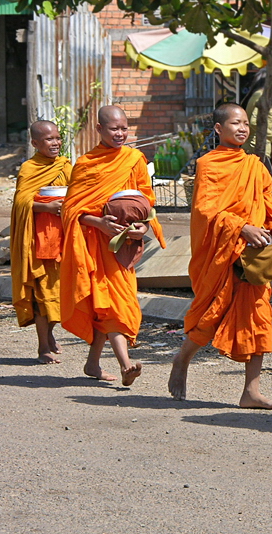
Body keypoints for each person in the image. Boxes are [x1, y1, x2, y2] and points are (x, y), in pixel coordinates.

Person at [168, 103, 272, 407]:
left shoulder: (255, 165)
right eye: (235, 123)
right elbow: (205, 210)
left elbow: (269, 205)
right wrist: (241, 227)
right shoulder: (208, 165)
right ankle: (182, 360)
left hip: (252, 256)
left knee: (259, 317)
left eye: (245, 124)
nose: (242, 128)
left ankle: (251, 391)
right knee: (210, 316)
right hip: (221, 255)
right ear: (218, 129)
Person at [60, 106, 165, 384]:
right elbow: (71, 210)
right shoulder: (86, 164)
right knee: (110, 304)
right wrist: (101, 224)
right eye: (113, 129)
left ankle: (93, 364)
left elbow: (146, 200)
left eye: (124, 128)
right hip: (95, 245)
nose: (120, 134)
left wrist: (144, 225)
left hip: (123, 246)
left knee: (109, 303)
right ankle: (125, 364)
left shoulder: (134, 159)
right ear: (99, 129)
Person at [10, 120, 72, 364]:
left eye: (57, 138)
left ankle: (50, 335)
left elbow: (76, 192)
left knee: (60, 293)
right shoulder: (29, 168)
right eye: (48, 139)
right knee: (42, 294)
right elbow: (20, 204)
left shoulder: (65, 165)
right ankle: (43, 346)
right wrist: (45, 205)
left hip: (63, 239)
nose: (55, 143)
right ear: (35, 143)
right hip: (37, 241)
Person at [242, 69, 272, 159]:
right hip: (256, 150)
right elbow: (254, 122)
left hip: (257, 149)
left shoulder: (258, 95)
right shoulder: (261, 96)